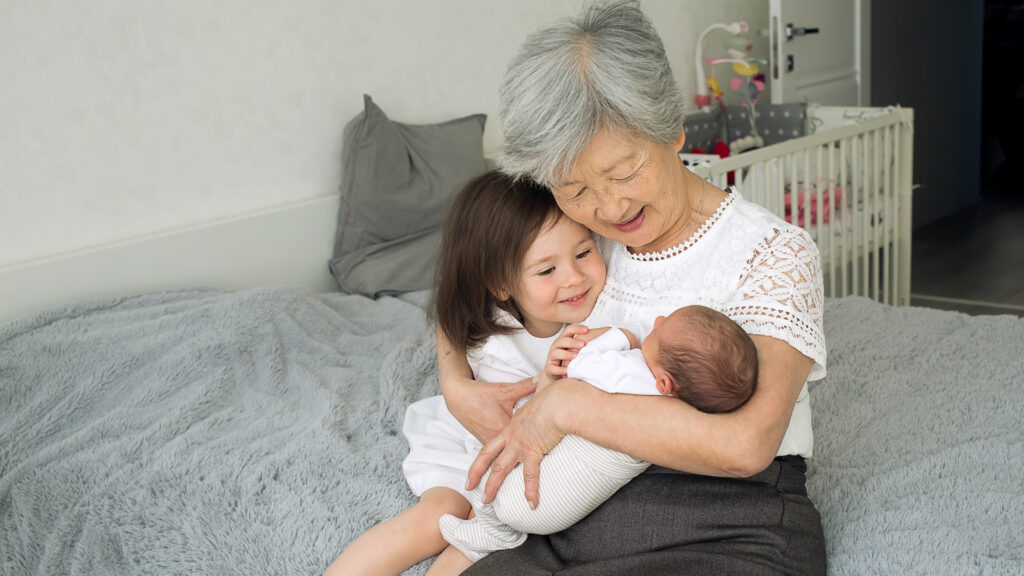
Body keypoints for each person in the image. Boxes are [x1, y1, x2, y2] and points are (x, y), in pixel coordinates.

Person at [438, 1, 829, 574]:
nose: (611, 206)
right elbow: (468, 286)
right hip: (568, 505)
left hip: (719, 520)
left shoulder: (774, 252)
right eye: (576, 189)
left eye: (625, 173)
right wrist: (453, 383)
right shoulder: (577, 237)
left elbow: (744, 446)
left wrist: (567, 408)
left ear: (672, 130)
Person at [323, 169, 606, 576]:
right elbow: (450, 323)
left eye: (583, 253)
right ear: (501, 284)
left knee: (481, 534)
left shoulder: (601, 315)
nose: (575, 277)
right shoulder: (491, 330)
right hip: (469, 440)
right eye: (547, 271)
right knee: (439, 516)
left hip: (528, 451)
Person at [439, 305, 759, 564]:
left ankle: (496, 533)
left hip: (537, 501)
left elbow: (577, 368)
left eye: (659, 332)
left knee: (486, 471)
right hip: (555, 511)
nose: (657, 320)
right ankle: (497, 530)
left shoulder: (632, 375)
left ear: (664, 383)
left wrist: (619, 335)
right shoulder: (671, 408)